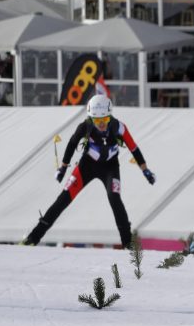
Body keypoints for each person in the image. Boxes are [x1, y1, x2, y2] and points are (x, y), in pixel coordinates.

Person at [21, 95, 156, 248]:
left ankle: (128, 243)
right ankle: (33, 238)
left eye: (104, 120)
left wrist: (145, 170)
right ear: (91, 118)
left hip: (110, 167)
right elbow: (71, 144)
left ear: (110, 116)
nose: (101, 125)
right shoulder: (85, 126)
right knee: (63, 200)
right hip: (87, 166)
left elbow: (134, 148)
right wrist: (63, 168)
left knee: (115, 199)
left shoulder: (118, 127)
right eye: (97, 121)